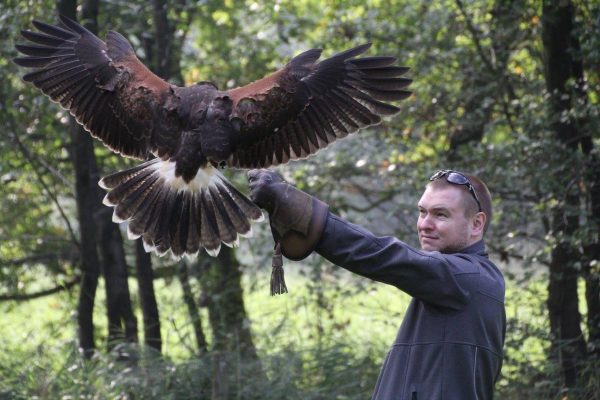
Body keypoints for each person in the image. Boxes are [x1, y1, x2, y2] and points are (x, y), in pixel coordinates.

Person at [247, 168, 506, 400]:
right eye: (422, 212)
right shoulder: (448, 285)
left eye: (441, 214)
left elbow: (386, 257)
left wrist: (313, 220)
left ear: (476, 224)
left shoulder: (469, 278)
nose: (425, 224)